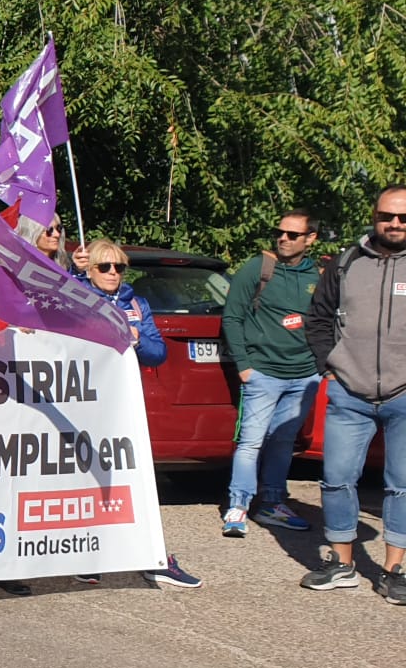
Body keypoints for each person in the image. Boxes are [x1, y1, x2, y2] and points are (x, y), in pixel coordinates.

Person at [62, 239, 202, 589]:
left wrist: (138, 339)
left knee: (133, 479)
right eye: (104, 267)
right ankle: (87, 555)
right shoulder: (79, 297)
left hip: (125, 405)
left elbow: (158, 353)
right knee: (86, 478)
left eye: (119, 267)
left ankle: (153, 556)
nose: (112, 273)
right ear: (89, 270)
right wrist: (72, 273)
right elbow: (58, 305)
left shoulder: (137, 303)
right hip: (84, 403)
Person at [301, 186, 406, 602]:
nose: (395, 224)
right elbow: (319, 319)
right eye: (387, 216)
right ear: (375, 215)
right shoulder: (346, 263)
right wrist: (331, 366)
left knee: (401, 485)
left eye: (403, 218)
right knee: (337, 479)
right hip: (350, 392)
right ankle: (342, 564)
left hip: (403, 395)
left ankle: (395, 571)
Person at [218, 209, 322, 536]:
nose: (283, 239)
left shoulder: (317, 276)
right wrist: (245, 366)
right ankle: (238, 505)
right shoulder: (259, 268)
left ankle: (273, 504)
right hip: (263, 373)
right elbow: (232, 317)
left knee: (282, 442)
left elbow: (327, 322)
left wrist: (321, 366)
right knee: (251, 442)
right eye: (280, 232)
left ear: (310, 239)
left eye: (293, 235)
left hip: (304, 376)